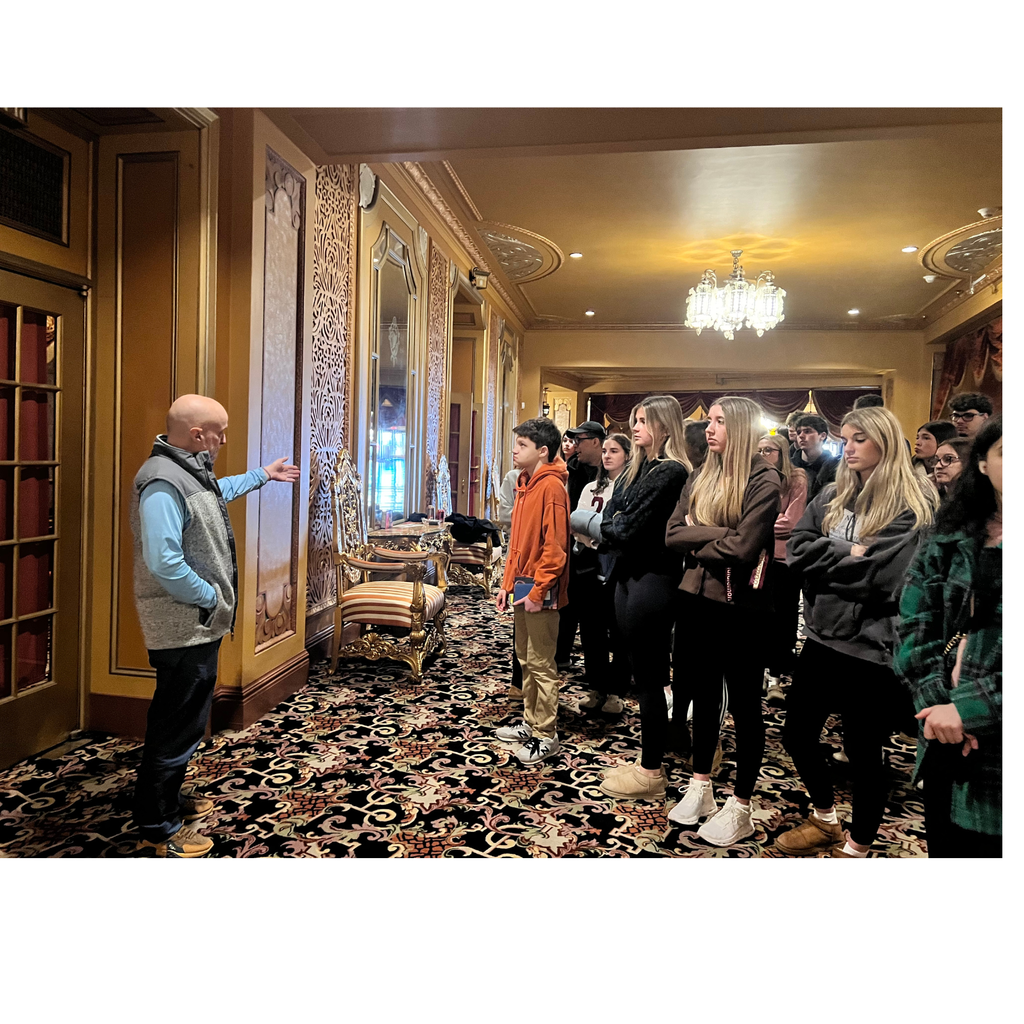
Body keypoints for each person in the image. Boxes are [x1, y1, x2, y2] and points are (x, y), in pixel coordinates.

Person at [131, 394, 300, 857]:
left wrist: (262, 476)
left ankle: (166, 800)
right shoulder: (162, 482)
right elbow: (164, 562)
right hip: (184, 624)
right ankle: (157, 824)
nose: (224, 440)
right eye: (220, 432)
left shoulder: (187, 473)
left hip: (197, 624)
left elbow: (214, 495)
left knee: (183, 719)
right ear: (196, 435)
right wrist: (211, 598)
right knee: (175, 723)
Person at [776, 406, 938, 858]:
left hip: (872, 646)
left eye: (859, 439)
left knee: (864, 751)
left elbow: (879, 579)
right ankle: (825, 817)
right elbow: (796, 554)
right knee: (796, 734)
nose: (848, 447)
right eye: (845, 438)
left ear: (884, 441)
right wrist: (846, 548)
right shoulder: (831, 494)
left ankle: (859, 843)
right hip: (822, 636)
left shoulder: (911, 506)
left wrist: (827, 561)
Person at [664, 397, 781, 845]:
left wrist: (702, 535)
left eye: (719, 422)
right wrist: (718, 534)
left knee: (747, 705)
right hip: (695, 599)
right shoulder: (700, 474)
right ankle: (701, 785)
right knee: (703, 694)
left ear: (742, 428)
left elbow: (744, 548)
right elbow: (672, 534)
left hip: (743, 606)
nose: (708, 428)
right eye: (708, 420)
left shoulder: (763, 477)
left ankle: (742, 804)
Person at [571, 396, 690, 801]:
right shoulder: (639, 468)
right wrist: (609, 523)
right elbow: (616, 516)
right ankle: (649, 760)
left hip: (653, 578)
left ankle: (652, 771)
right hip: (627, 574)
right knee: (641, 675)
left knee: (650, 680)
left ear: (665, 426)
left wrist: (598, 523)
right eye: (635, 419)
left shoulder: (671, 470)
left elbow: (625, 528)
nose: (635, 426)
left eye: (644, 421)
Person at [895, 417, 1001, 858]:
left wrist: (969, 712)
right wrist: (938, 707)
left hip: (996, 732)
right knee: (948, 845)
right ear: (983, 464)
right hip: (943, 733)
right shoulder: (951, 533)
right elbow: (914, 622)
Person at [495, 418, 572, 765]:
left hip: (542, 586)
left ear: (542, 451)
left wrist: (540, 589)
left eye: (522, 445)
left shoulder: (552, 486)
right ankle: (531, 721)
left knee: (541, 661)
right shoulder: (526, 482)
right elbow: (517, 545)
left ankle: (546, 733)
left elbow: (555, 547)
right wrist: (507, 585)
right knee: (524, 656)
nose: (514, 449)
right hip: (523, 583)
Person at [572, 433, 632, 714]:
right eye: (605, 450)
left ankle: (617, 691)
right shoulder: (590, 488)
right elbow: (577, 524)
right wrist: (596, 542)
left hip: (620, 567)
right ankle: (597, 687)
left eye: (615, 451)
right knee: (592, 630)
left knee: (618, 630)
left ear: (628, 456)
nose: (607, 455)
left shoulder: (632, 489)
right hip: (590, 563)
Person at [757, 433, 808, 705]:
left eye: (770, 450)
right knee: (758, 621)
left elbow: (790, 523)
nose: (764, 454)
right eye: (760, 450)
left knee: (784, 620)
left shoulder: (796, 478)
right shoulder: (753, 476)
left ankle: (776, 678)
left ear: (782, 452)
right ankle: (759, 674)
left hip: (783, 560)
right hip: (756, 557)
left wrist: (756, 524)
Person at [555, 420, 605, 670]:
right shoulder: (570, 469)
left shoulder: (612, 473)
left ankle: (599, 673)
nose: (575, 446)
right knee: (566, 604)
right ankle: (561, 657)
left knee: (594, 617)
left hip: (600, 551)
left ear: (596, 441)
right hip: (569, 547)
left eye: (580, 440)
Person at [498, 466, 525, 702]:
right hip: (519, 565)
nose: (516, 452)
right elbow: (504, 514)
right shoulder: (514, 478)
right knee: (522, 626)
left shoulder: (554, 480)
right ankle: (518, 682)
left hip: (540, 569)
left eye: (523, 445)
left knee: (539, 640)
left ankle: (541, 722)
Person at [793, 414, 839, 501]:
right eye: (799, 432)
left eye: (807, 431)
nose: (801, 436)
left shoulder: (835, 467)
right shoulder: (789, 465)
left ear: (822, 436)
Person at [933, 436, 973, 500]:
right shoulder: (932, 499)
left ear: (968, 462)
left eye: (948, 459)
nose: (938, 466)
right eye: (936, 460)